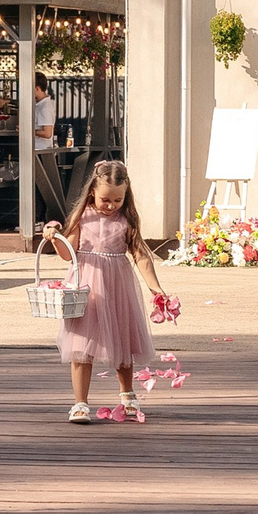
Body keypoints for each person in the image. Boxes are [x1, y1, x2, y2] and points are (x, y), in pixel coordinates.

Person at [58, 156, 162, 423]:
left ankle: (127, 394)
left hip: (118, 286)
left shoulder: (127, 219)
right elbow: (68, 253)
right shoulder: (82, 217)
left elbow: (141, 256)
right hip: (86, 287)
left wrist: (155, 287)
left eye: (118, 200)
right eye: (105, 199)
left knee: (123, 338)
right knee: (81, 344)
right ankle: (80, 403)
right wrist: (54, 237)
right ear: (92, 191)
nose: (111, 205)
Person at [32, 74, 65, 229]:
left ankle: (39, 220)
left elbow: (47, 133)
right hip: (37, 150)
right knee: (36, 187)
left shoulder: (45, 107)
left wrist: (29, 130)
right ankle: (37, 219)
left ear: (37, 88)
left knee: (40, 188)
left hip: (42, 152)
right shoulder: (39, 105)